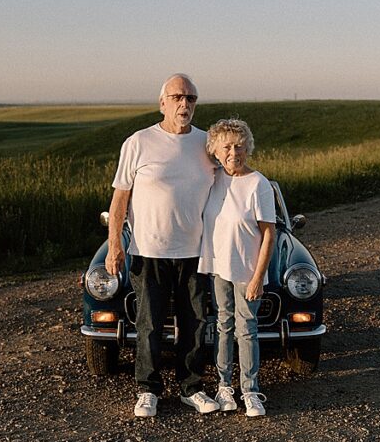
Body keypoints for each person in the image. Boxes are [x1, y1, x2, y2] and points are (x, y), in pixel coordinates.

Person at [105, 73, 218, 417]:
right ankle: (148, 390)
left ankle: (192, 388)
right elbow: (120, 198)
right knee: (150, 323)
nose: (185, 104)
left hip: (195, 250)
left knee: (196, 322)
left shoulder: (206, 143)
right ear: (163, 103)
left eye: (191, 99)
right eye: (178, 97)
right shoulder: (138, 142)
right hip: (149, 250)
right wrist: (114, 246)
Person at [199, 119, 275, 417]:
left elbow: (269, 233)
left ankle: (251, 390)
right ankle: (223, 386)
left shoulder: (258, 184)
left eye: (240, 146)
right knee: (222, 326)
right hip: (219, 267)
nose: (234, 152)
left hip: (247, 270)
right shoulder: (213, 179)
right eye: (227, 146)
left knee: (247, 329)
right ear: (216, 151)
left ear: (248, 149)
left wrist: (258, 277)